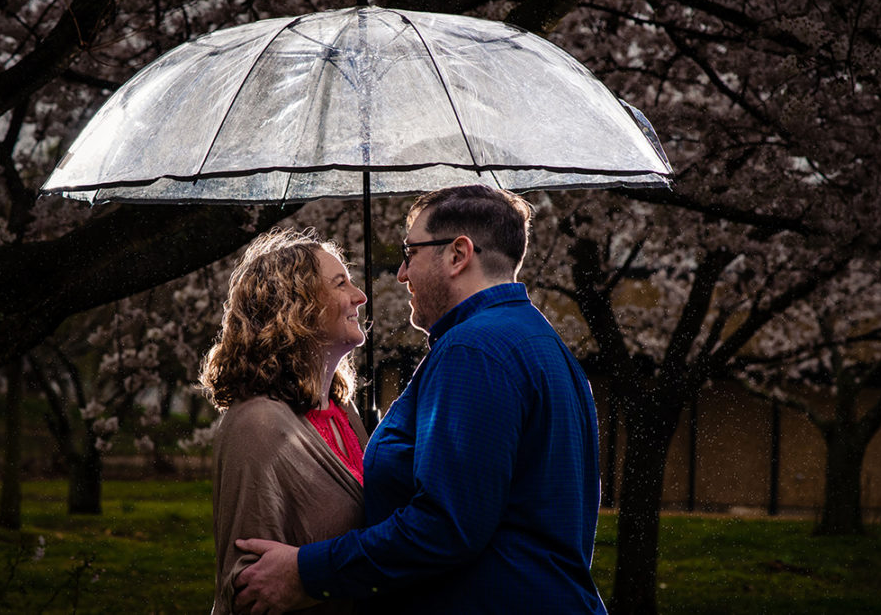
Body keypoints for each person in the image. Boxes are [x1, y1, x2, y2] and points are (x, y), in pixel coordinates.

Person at [234, 185, 608, 614]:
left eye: (410, 252)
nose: (402, 273)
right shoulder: (542, 343)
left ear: (457, 254)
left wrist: (308, 572)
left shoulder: (473, 350)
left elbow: (444, 527)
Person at [201, 227, 370, 615]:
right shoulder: (257, 425)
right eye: (340, 283)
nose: (360, 296)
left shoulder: (345, 413)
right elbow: (251, 587)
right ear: (296, 306)